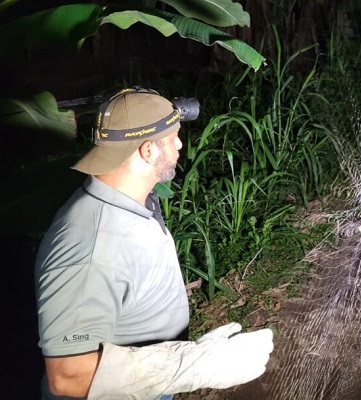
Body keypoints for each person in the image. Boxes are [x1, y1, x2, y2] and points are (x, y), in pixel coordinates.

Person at [34, 88, 274, 400]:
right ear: (148, 151)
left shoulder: (128, 198)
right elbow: (68, 377)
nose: (180, 144)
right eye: (173, 136)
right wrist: (197, 366)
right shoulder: (92, 249)